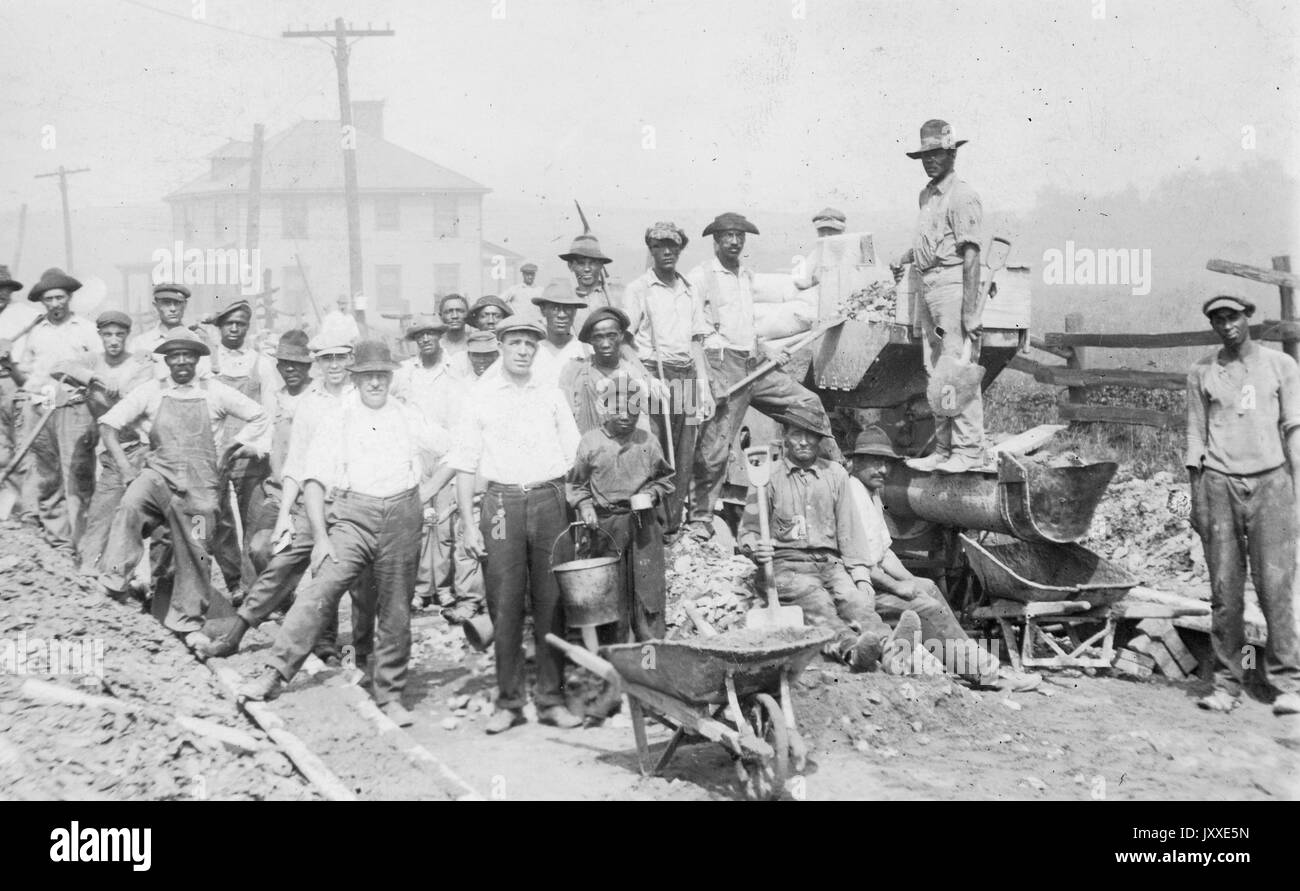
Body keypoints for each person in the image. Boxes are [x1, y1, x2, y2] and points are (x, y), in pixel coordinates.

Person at [240, 341, 448, 727]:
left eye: (381, 375)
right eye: (367, 375)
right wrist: (321, 538)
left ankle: (389, 695)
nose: (375, 383)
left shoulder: (406, 414)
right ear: (356, 378)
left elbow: (454, 450)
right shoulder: (340, 417)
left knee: (396, 608)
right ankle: (274, 672)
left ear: (390, 377)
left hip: (402, 515)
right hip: (353, 517)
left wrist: (429, 490)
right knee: (319, 592)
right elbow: (314, 480)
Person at [430, 317, 584, 734]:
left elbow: (574, 459)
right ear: (500, 345)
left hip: (550, 499)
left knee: (553, 602)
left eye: (529, 344)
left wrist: (579, 506)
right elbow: (464, 464)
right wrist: (468, 523)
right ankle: (509, 700)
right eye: (514, 342)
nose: (522, 350)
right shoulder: (480, 398)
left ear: (536, 350)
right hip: (500, 505)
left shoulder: (551, 394)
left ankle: (552, 699)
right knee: (504, 603)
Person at [200, 335, 373, 664]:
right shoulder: (309, 402)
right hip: (313, 500)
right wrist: (283, 519)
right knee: (281, 564)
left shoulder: (362, 397)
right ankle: (236, 634)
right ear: (317, 363)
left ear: (350, 359)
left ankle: (344, 648)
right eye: (326, 358)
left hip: (354, 502)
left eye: (340, 357)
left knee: (348, 576)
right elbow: (296, 463)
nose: (334, 365)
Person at [98, 328, 269, 639]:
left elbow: (260, 416)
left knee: (198, 549)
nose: (181, 362)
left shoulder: (214, 392)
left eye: (187, 356)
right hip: (159, 477)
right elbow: (108, 424)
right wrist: (125, 469)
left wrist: (232, 448)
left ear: (196, 359)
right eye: (174, 356)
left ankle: (187, 621)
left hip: (200, 488)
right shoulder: (151, 391)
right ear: (166, 361)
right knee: (131, 504)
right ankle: (113, 579)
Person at [847, 425, 1039, 690]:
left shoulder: (872, 494)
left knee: (928, 587)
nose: (882, 469)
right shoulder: (851, 494)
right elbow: (859, 564)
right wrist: (899, 587)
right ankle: (987, 674)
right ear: (855, 462)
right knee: (928, 608)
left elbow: (884, 551)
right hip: (861, 589)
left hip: (877, 577)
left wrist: (911, 579)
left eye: (886, 463)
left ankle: (975, 662)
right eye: (874, 462)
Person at [687, 212, 837, 542]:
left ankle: (837, 470)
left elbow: (749, 325)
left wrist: (767, 351)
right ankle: (700, 518)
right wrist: (709, 379)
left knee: (807, 404)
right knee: (716, 445)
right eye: (727, 235)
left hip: (753, 361)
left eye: (739, 236)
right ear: (715, 240)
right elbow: (694, 332)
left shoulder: (744, 276)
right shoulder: (701, 277)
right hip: (722, 364)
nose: (734, 241)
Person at [1186, 294, 1300, 717]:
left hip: (1272, 483)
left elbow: (1293, 430)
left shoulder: (1280, 366)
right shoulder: (1201, 372)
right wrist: (1195, 499)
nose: (1226, 325)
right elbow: (1195, 439)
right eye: (1217, 319)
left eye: (1232, 316)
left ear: (1247, 318)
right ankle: (1227, 682)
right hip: (1218, 486)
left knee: (1275, 587)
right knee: (1225, 591)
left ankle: (1288, 683)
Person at [737, 415, 908, 669]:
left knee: (856, 601)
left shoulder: (835, 475)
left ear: (819, 439)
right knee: (818, 604)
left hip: (831, 563)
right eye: (797, 434)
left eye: (811, 435)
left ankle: (891, 651)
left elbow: (849, 530)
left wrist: (860, 576)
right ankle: (853, 652)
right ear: (786, 436)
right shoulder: (768, 477)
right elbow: (748, 531)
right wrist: (755, 548)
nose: (804, 442)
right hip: (787, 566)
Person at [890, 119, 987, 474]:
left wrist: (971, 310)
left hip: (952, 284)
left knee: (958, 368)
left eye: (937, 154)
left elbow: (971, 255)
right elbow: (929, 242)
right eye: (925, 155)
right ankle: (945, 449)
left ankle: (969, 449)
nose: (930, 160)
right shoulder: (927, 196)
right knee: (937, 372)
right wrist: (907, 256)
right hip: (928, 284)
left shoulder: (963, 196)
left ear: (951, 153)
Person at [622, 221, 716, 535]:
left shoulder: (690, 289)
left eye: (672, 246)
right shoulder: (638, 289)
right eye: (659, 246)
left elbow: (696, 341)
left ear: (680, 249)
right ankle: (654, 529)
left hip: (686, 375)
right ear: (650, 250)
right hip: (653, 373)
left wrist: (702, 385)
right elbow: (625, 342)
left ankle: (674, 526)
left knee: (685, 453)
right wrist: (645, 378)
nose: (666, 252)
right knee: (655, 452)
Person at [568, 372, 674, 643]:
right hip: (606, 525)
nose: (626, 415)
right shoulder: (591, 442)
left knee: (647, 585)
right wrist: (585, 507)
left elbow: (664, 479)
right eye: (618, 408)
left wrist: (651, 494)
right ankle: (613, 651)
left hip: (643, 524)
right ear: (605, 408)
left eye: (633, 407)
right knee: (610, 588)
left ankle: (651, 648)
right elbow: (577, 485)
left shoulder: (648, 442)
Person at [391, 316, 481, 617]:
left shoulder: (455, 370)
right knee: (418, 520)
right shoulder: (405, 372)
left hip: (446, 456)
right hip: (414, 455)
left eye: (431, 333)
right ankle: (420, 589)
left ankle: (443, 588)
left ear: (440, 336)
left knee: (442, 524)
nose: (426, 339)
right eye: (419, 335)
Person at [58, 310, 155, 574]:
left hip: (143, 447)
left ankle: (140, 579)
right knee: (101, 513)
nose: (114, 340)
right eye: (108, 334)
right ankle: (88, 571)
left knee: (139, 515)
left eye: (119, 334)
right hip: (113, 452)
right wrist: (95, 378)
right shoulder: (93, 360)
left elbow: (137, 396)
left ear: (127, 336)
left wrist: (116, 389)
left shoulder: (139, 362)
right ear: (100, 336)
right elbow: (61, 367)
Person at [12, 268, 102, 552]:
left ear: (70, 298)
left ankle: (84, 545)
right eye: (49, 299)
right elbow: (25, 375)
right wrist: (10, 366)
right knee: (48, 477)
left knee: (78, 477)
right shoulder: (35, 332)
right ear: (42, 302)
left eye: (60, 297)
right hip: (42, 407)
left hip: (74, 407)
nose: (55, 304)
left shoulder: (86, 329)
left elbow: (99, 369)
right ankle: (59, 543)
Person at [205, 296, 279, 599]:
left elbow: (270, 412)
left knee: (254, 522)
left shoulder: (261, 362)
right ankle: (234, 582)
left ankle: (252, 589)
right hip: (217, 455)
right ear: (220, 327)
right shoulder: (207, 363)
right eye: (230, 323)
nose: (235, 329)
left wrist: (257, 447)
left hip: (249, 457)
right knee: (219, 523)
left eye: (241, 324)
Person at [558, 306, 652, 435]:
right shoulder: (574, 371)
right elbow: (563, 419)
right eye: (599, 337)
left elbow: (642, 424)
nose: (605, 344)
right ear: (590, 340)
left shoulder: (632, 374)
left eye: (611, 336)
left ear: (621, 336)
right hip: (584, 447)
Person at [0, 265, 38, 518]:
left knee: (24, 445)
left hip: (15, 383)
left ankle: (27, 510)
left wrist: (10, 360)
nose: (1, 294)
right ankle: (5, 509)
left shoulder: (25, 317)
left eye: (5, 290)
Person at [131, 283, 211, 379]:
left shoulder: (197, 340)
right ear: (155, 306)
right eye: (166, 303)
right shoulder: (140, 343)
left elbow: (206, 376)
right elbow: (132, 377)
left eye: (177, 303)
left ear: (185, 305)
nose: (173, 309)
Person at [529, 282, 591, 389]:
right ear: (543, 310)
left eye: (567, 308)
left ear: (575, 312)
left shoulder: (587, 352)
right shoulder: (530, 352)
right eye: (555, 308)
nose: (561, 315)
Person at [792, 207, 847, 291]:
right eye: (822, 231)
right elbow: (802, 281)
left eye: (832, 230)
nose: (826, 235)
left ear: (842, 230)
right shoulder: (818, 252)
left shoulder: (855, 249)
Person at [560, 229, 614, 312]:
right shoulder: (565, 300)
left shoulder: (614, 295)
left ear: (601, 265)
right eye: (581, 263)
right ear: (570, 266)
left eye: (592, 263)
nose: (587, 269)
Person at [437, 294, 471, 360]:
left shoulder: (475, 345)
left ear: (467, 314)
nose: (455, 316)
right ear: (441, 316)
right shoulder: (436, 347)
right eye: (448, 312)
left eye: (460, 311)